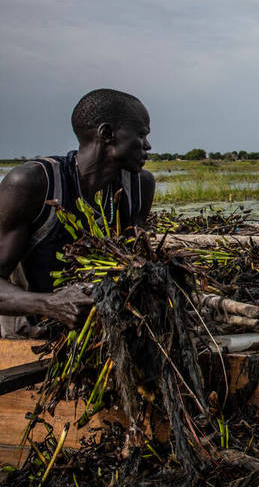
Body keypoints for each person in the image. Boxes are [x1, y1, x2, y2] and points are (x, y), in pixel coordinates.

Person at [0, 88, 155, 336]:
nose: (148, 145)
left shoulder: (139, 186)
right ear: (107, 134)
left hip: (101, 332)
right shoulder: (31, 184)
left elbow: (136, 262)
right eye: (141, 134)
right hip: (31, 333)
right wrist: (49, 304)